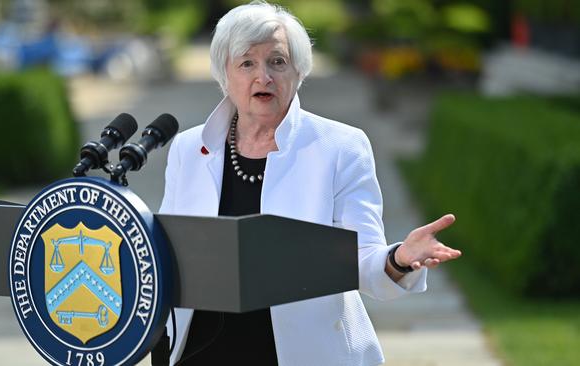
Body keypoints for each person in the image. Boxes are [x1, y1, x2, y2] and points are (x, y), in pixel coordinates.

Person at [158, 1, 462, 365]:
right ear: (225, 73)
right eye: (247, 63)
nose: (263, 77)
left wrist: (398, 259)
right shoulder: (189, 148)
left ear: (298, 71)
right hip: (201, 350)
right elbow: (168, 251)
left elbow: (361, 259)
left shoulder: (340, 147)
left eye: (277, 62)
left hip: (302, 353)